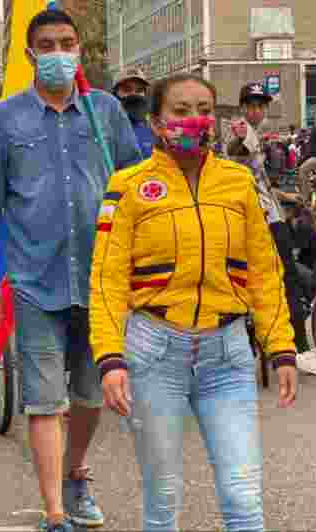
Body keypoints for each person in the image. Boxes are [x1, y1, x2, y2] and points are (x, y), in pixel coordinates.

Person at [90, 73, 296, 532]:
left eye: (203, 109)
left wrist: (280, 346)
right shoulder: (126, 187)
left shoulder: (238, 182)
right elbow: (106, 279)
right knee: (162, 499)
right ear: (157, 121)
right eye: (180, 111)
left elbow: (264, 270)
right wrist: (110, 358)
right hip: (153, 354)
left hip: (228, 356)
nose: (193, 120)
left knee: (244, 497)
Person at [0, 4, 142, 532]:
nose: (58, 55)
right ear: (30, 54)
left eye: (67, 44)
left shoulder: (105, 112)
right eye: (47, 46)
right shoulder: (5, 118)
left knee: (91, 395)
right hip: (31, 279)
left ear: (80, 51)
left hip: (100, 280)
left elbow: (137, 187)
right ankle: (55, 511)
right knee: (45, 400)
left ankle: (76, 473)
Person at [224, 83, 316, 376]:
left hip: (266, 209)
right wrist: (240, 139)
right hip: (258, 218)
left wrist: (287, 198)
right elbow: (235, 154)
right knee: (287, 279)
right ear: (243, 106)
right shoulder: (240, 130)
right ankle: (301, 349)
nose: (257, 110)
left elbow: (258, 177)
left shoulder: (252, 132)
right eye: (251, 104)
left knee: (277, 279)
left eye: (261, 105)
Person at [112, 68, 154, 158]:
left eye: (139, 90)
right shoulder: (106, 127)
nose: (134, 94)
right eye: (127, 89)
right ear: (115, 94)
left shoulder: (153, 125)